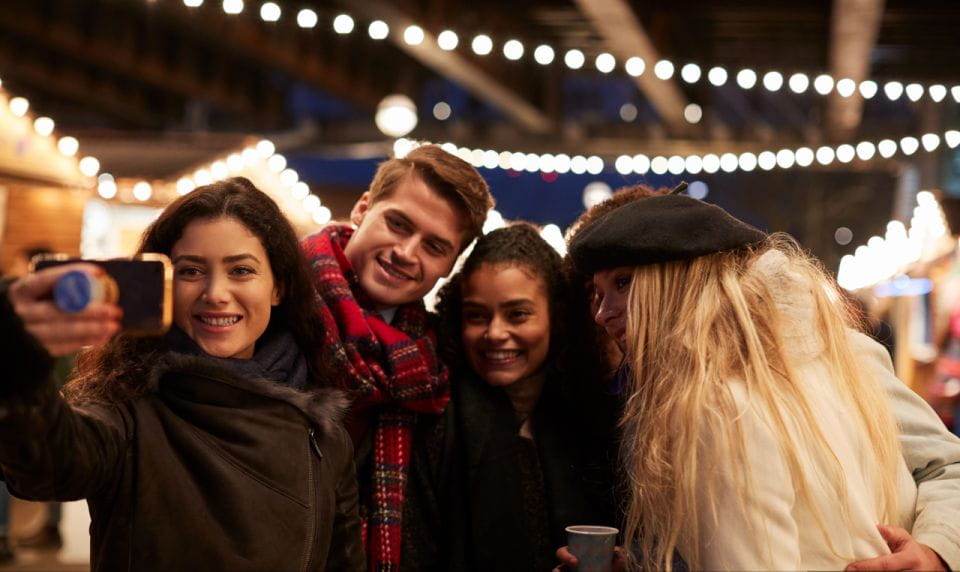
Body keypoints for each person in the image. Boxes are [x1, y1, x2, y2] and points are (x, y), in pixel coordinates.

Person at [566, 190, 960, 571]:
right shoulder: (683, 392)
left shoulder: (837, 355)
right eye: (597, 293)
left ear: (676, 283)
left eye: (623, 282)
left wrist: (937, 551)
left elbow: (947, 464)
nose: (602, 314)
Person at [0, 177, 363, 570]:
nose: (216, 293)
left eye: (241, 270)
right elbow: (48, 469)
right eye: (191, 271)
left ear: (278, 288)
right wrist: (16, 355)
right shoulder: (126, 409)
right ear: (165, 284)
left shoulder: (323, 434)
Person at [300, 144, 493, 570]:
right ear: (361, 208)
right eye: (398, 224)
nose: (407, 252)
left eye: (434, 246)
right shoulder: (274, 304)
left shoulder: (437, 362)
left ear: (450, 266)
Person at [399, 223, 618, 570]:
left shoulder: (593, 413)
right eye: (476, 316)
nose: (495, 333)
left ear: (556, 316)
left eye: (517, 314)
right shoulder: (434, 416)